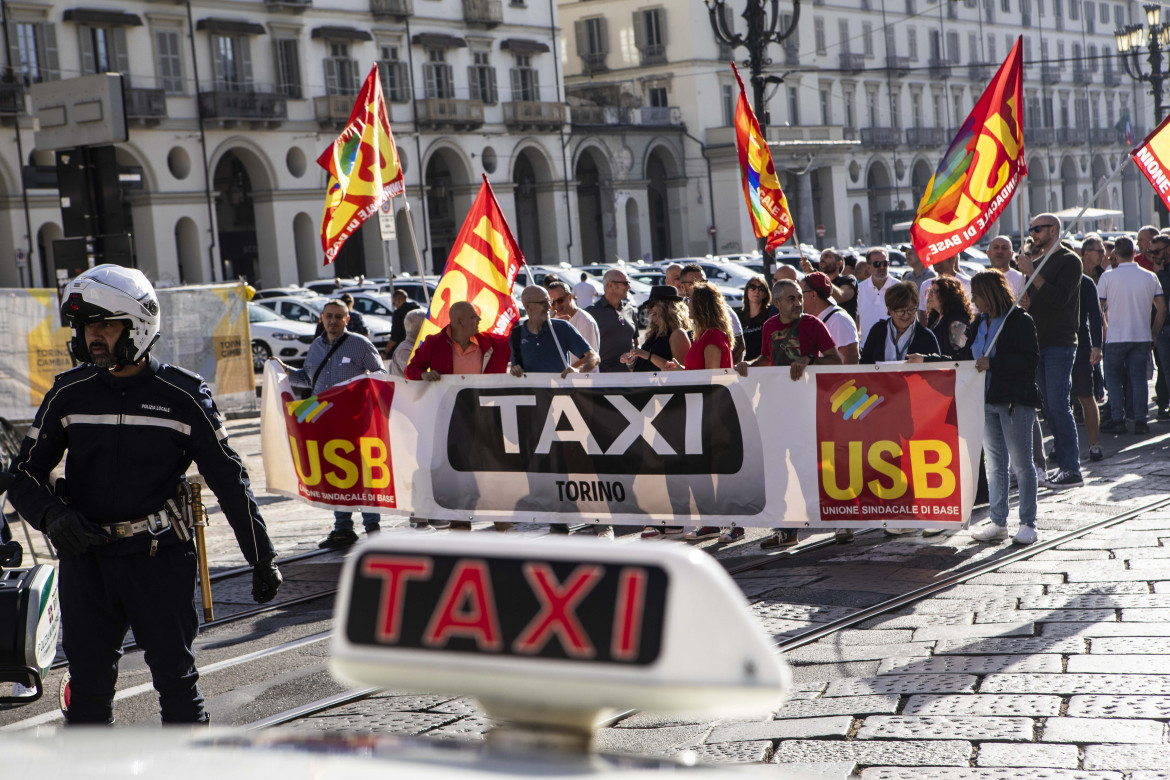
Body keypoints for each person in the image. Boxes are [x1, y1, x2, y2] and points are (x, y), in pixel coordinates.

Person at [9, 264, 282, 725]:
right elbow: (23, 475)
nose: (92, 336)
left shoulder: (184, 395)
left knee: (177, 685)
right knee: (87, 697)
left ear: (138, 326)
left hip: (158, 560)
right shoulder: (68, 393)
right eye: (86, 325)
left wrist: (261, 555)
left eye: (104, 325)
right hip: (87, 561)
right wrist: (52, 516)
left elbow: (229, 478)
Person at [735, 279, 842, 547]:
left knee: (809, 467)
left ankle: (837, 523)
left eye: (800, 297)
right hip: (774, 410)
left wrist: (810, 360)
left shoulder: (813, 324)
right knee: (777, 471)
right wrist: (748, 365)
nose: (798, 303)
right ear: (777, 303)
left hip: (805, 408)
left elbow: (836, 359)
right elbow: (767, 360)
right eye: (792, 299)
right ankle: (785, 529)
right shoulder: (770, 326)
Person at [276, 298, 386, 548]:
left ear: (347, 320)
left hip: (356, 423)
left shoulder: (360, 345)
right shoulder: (315, 346)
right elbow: (307, 379)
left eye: (339, 317)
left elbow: (381, 376)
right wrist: (285, 371)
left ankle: (373, 527)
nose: (334, 321)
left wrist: (368, 379)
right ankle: (343, 528)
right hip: (326, 424)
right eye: (329, 316)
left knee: (363, 474)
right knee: (337, 475)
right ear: (322, 319)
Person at [406, 300, 513, 533]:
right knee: (456, 472)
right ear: (459, 322)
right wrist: (424, 375)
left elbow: (518, 345)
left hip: (485, 417)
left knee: (491, 471)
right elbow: (411, 369)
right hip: (449, 420)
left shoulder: (490, 342)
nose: (480, 320)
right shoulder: (434, 343)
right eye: (475, 317)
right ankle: (460, 520)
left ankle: (501, 520)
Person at [510, 285, 603, 538]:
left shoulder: (561, 327)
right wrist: (514, 369)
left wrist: (578, 370)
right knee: (548, 465)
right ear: (528, 307)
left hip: (567, 404)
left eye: (549, 302)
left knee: (580, 461)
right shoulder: (517, 333)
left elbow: (593, 356)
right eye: (542, 303)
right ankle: (558, 521)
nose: (549, 307)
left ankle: (600, 518)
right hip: (537, 409)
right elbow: (515, 364)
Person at [964, 270, 1043, 546]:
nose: (973, 300)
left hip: (1014, 401)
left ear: (989, 293)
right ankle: (998, 522)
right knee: (995, 465)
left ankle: (1028, 522)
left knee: (1022, 465)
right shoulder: (978, 323)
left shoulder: (1018, 320)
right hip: (986, 401)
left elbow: (1030, 360)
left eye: (976, 294)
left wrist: (994, 364)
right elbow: (963, 358)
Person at [666, 283, 741, 544]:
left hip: (714, 411)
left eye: (690, 301)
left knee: (721, 470)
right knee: (704, 469)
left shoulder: (713, 337)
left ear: (701, 306)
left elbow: (710, 377)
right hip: (700, 410)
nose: (686, 305)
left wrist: (680, 373)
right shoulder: (704, 335)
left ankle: (735, 523)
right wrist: (681, 371)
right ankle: (710, 521)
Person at [1019, 213, 1084, 489]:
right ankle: (1064, 466)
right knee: (1048, 407)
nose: (1033, 233)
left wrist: (1032, 274)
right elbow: (1033, 303)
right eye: (1031, 228)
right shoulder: (1033, 264)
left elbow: (1059, 299)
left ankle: (1072, 468)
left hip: (1060, 341)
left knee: (1059, 405)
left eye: (1038, 228)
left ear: (1054, 230)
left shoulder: (1070, 261)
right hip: (1038, 342)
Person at [1098, 236, 1166, 435]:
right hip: (1141, 335)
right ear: (1133, 252)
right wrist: (1153, 333)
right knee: (1138, 379)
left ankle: (1118, 419)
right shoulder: (1149, 276)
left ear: (1115, 255)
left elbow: (1098, 308)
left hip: (1115, 336)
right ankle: (1140, 421)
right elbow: (1161, 308)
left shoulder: (1108, 277)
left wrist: (1104, 328)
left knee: (1113, 380)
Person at [859, 281, 942, 364]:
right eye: (901, 311)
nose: (906, 315)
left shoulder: (926, 336)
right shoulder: (878, 331)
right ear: (890, 309)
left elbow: (937, 369)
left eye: (911, 310)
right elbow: (864, 365)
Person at [677, 263, 745, 361]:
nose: (700, 286)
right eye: (693, 283)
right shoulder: (681, 310)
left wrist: (729, 371)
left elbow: (739, 346)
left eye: (703, 282)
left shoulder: (721, 309)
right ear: (682, 287)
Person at [1072, 271, 1104, 462]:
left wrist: (1097, 345)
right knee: (1055, 402)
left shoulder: (1084, 282)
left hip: (1080, 345)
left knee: (1086, 395)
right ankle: (1060, 444)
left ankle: (1094, 444)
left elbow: (1095, 314)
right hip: (1051, 345)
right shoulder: (1043, 275)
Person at [621, 285, 691, 373]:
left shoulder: (678, 334)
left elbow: (680, 371)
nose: (648, 310)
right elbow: (643, 367)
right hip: (646, 385)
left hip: (664, 386)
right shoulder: (655, 334)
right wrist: (630, 362)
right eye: (647, 306)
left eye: (651, 305)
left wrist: (648, 356)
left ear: (666, 306)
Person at [585, 269, 639, 373]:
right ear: (610, 285)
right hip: (603, 379)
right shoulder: (591, 312)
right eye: (626, 283)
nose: (629, 287)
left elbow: (636, 344)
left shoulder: (630, 310)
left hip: (629, 377)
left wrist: (633, 360)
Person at [801, 271, 859, 364]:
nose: (798, 298)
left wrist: (812, 361)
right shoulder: (814, 319)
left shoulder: (839, 320)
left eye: (801, 293)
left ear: (813, 295)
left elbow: (851, 362)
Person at [548, 280, 600, 372]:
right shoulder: (553, 320)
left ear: (570, 297)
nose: (556, 305)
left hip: (584, 381)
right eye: (552, 302)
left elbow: (591, 358)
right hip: (562, 381)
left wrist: (567, 371)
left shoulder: (586, 322)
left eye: (560, 300)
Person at [924, 276, 974, 360]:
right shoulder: (934, 319)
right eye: (929, 291)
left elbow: (960, 358)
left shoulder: (957, 322)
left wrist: (927, 360)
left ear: (946, 294)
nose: (929, 296)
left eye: (933, 292)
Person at [803, 248, 858, 321]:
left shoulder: (848, 280)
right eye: (821, 257)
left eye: (827, 256)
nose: (822, 259)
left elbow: (841, 297)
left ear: (839, 263)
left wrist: (814, 274)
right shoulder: (814, 284)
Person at [855, 248, 898, 338]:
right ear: (868, 267)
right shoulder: (859, 289)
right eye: (877, 264)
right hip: (866, 347)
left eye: (885, 263)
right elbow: (856, 318)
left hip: (894, 347)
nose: (882, 267)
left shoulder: (899, 288)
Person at [917, 254, 973, 322]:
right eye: (932, 256)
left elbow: (972, 316)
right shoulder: (925, 285)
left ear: (952, 258)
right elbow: (923, 318)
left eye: (938, 256)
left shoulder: (967, 283)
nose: (934, 260)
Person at [737, 274, 779, 362]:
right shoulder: (738, 316)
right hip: (742, 366)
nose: (756, 291)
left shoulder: (771, 313)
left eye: (761, 288)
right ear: (746, 291)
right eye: (752, 287)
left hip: (763, 364)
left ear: (765, 294)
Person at [390, 309, 427, 378]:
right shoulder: (404, 349)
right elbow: (412, 372)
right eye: (427, 324)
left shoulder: (424, 345)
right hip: (409, 388)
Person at [384, 289, 421, 358]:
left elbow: (395, 336)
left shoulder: (398, 313)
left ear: (398, 300)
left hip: (404, 349)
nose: (394, 305)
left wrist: (385, 352)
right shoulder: (418, 310)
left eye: (393, 302)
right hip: (420, 346)